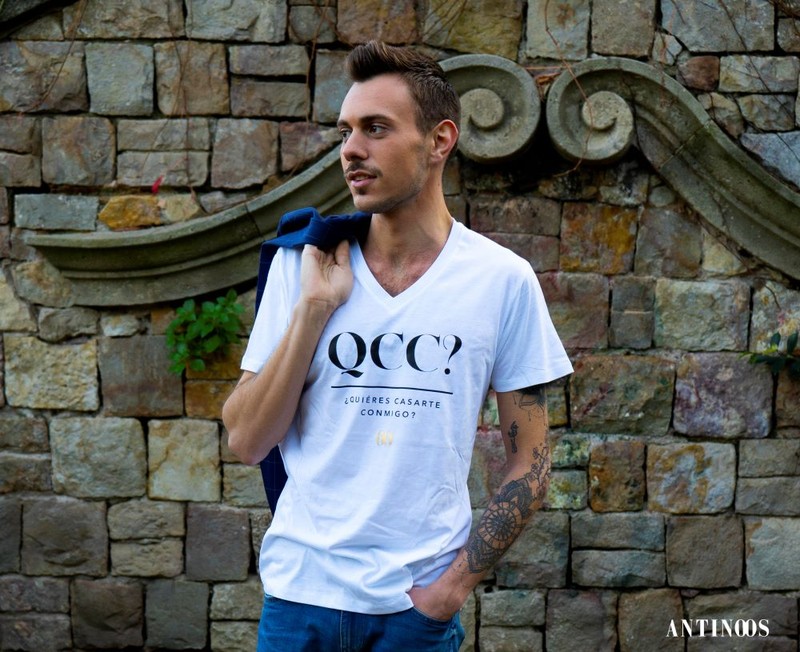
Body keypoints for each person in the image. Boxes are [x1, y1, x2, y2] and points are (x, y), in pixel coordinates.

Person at [222, 40, 573, 651]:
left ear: (439, 140)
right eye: (345, 131)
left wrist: (449, 592)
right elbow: (247, 440)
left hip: (414, 617)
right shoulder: (303, 265)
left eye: (376, 128)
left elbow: (532, 466)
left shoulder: (501, 280)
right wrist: (313, 311)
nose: (351, 150)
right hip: (299, 602)